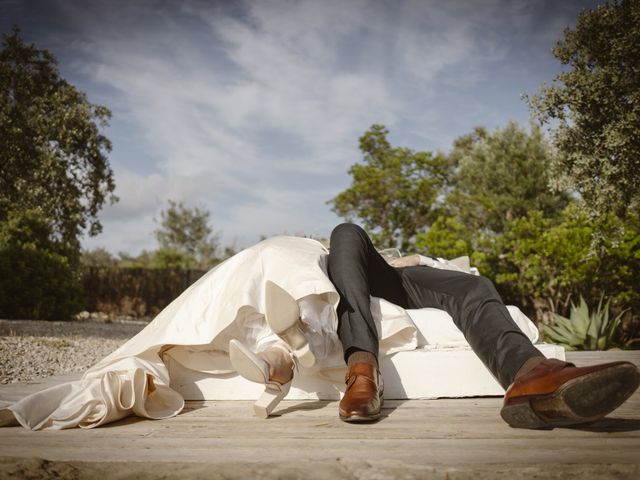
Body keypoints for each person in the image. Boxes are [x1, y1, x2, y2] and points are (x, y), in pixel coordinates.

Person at [231, 223, 640, 429]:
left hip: (413, 277)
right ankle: (362, 371)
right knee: (346, 231)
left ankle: (530, 378)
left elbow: (444, 275)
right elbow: (345, 255)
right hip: (370, 270)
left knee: (475, 284)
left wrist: (416, 261)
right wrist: (385, 262)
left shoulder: (427, 260)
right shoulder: (338, 254)